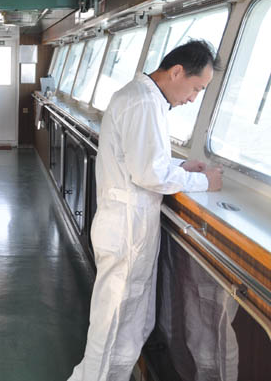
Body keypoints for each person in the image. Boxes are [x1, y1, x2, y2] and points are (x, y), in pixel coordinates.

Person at [67, 39, 224, 381]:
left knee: (130, 324)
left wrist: (181, 167)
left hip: (131, 227)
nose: (193, 98)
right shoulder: (142, 102)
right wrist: (204, 182)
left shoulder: (145, 98)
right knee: (114, 326)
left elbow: (143, 160)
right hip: (126, 229)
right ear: (177, 72)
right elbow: (149, 173)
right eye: (196, 88)